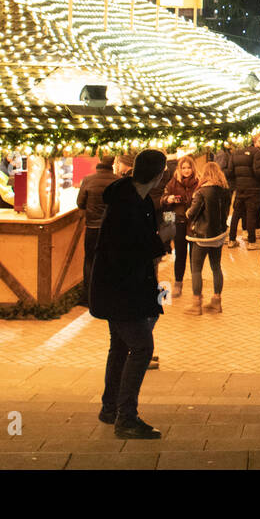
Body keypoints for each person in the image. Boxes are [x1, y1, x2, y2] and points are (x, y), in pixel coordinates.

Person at [88, 149, 169, 439]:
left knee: (120, 346)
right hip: (121, 290)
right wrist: (163, 241)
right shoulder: (128, 204)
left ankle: (110, 407)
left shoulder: (136, 199)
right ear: (159, 175)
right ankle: (126, 417)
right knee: (142, 347)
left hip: (123, 288)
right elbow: (128, 251)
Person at [183, 161, 233, 315]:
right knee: (216, 267)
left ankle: (196, 304)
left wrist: (186, 213)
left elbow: (192, 213)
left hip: (201, 236)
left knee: (196, 270)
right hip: (218, 235)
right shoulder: (225, 191)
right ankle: (216, 302)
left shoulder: (201, 192)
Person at [76, 154, 119, 306]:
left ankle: (87, 297)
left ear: (99, 163)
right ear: (113, 163)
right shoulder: (118, 180)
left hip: (93, 228)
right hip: (111, 230)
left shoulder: (88, 179)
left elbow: (80, 203)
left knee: (90, 261)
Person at [159, 155, 199, 297]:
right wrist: (168, 199)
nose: (186, 170)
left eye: (188, 167)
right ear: (179, 169)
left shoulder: (198, 182)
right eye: (183, 168)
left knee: (195, 257)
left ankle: (196, 287)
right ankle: (178, 284)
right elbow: (163, 202)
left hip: (194, 224)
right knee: (180, 255)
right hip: (179, 222)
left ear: (192, 168)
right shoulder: (173, 183)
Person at [224, 136, 260, 250]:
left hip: (240, 188)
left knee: (236, 213)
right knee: (251, 214)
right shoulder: (256, 152)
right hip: (253, 188)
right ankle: (251, 241)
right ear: (252, 142)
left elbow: (229, 172)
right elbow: (258, 171)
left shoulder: (235, 153)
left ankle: (232, 240)